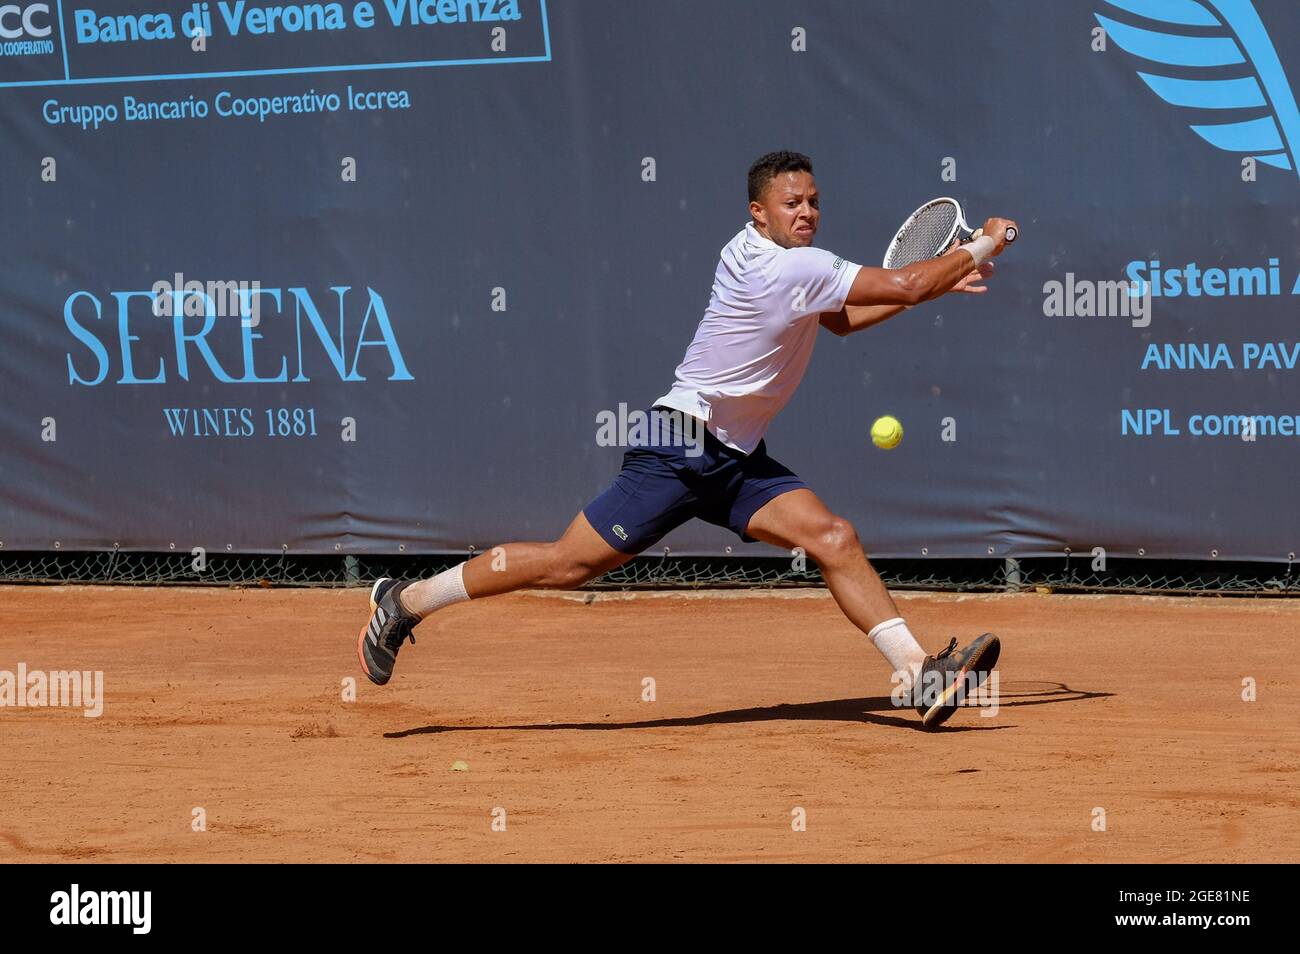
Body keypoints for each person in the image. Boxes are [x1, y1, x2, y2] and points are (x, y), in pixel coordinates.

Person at [357, 150, 1016, 728]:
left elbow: (845, 319)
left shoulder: (789, 264)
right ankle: (405, 601)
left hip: (736, 457)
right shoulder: (785, 269)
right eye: (791, 204)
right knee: (567, 564)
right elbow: (901, 282)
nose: (807, 212)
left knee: (833, 537)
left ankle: (917, 675)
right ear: (758, 212)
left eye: (814, 202)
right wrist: (981, 246)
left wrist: (928, 286)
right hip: (679, 446)